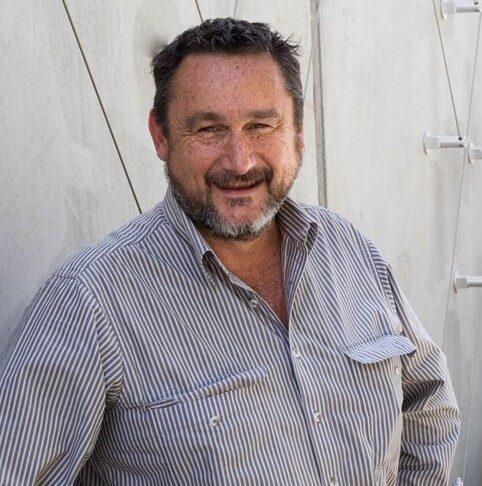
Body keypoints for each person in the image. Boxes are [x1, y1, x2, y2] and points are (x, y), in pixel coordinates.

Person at [0, 17, 460, 485]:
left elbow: (428, 402)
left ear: (298, 132)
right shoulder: (87, 302)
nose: (239, 161)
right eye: (208, 129)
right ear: (161, 137)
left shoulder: (349, 250)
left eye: (261, 125)